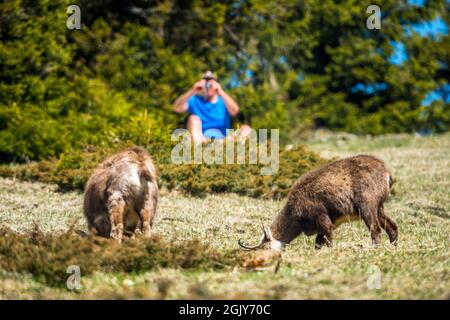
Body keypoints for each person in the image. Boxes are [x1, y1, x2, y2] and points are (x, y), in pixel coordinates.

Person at [173, 71, 250, 142]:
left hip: (224, 140)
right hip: (202, 139)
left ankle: (227, 149)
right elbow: (177, 108)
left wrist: (221, 92)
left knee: (246, 129)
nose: (208, 86)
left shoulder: (223, 101)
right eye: (205, 82)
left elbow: (235, 111)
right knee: (193, 118)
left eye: (211, 83)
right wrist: (192, 90)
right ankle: (199, 148)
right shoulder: (194, 100)